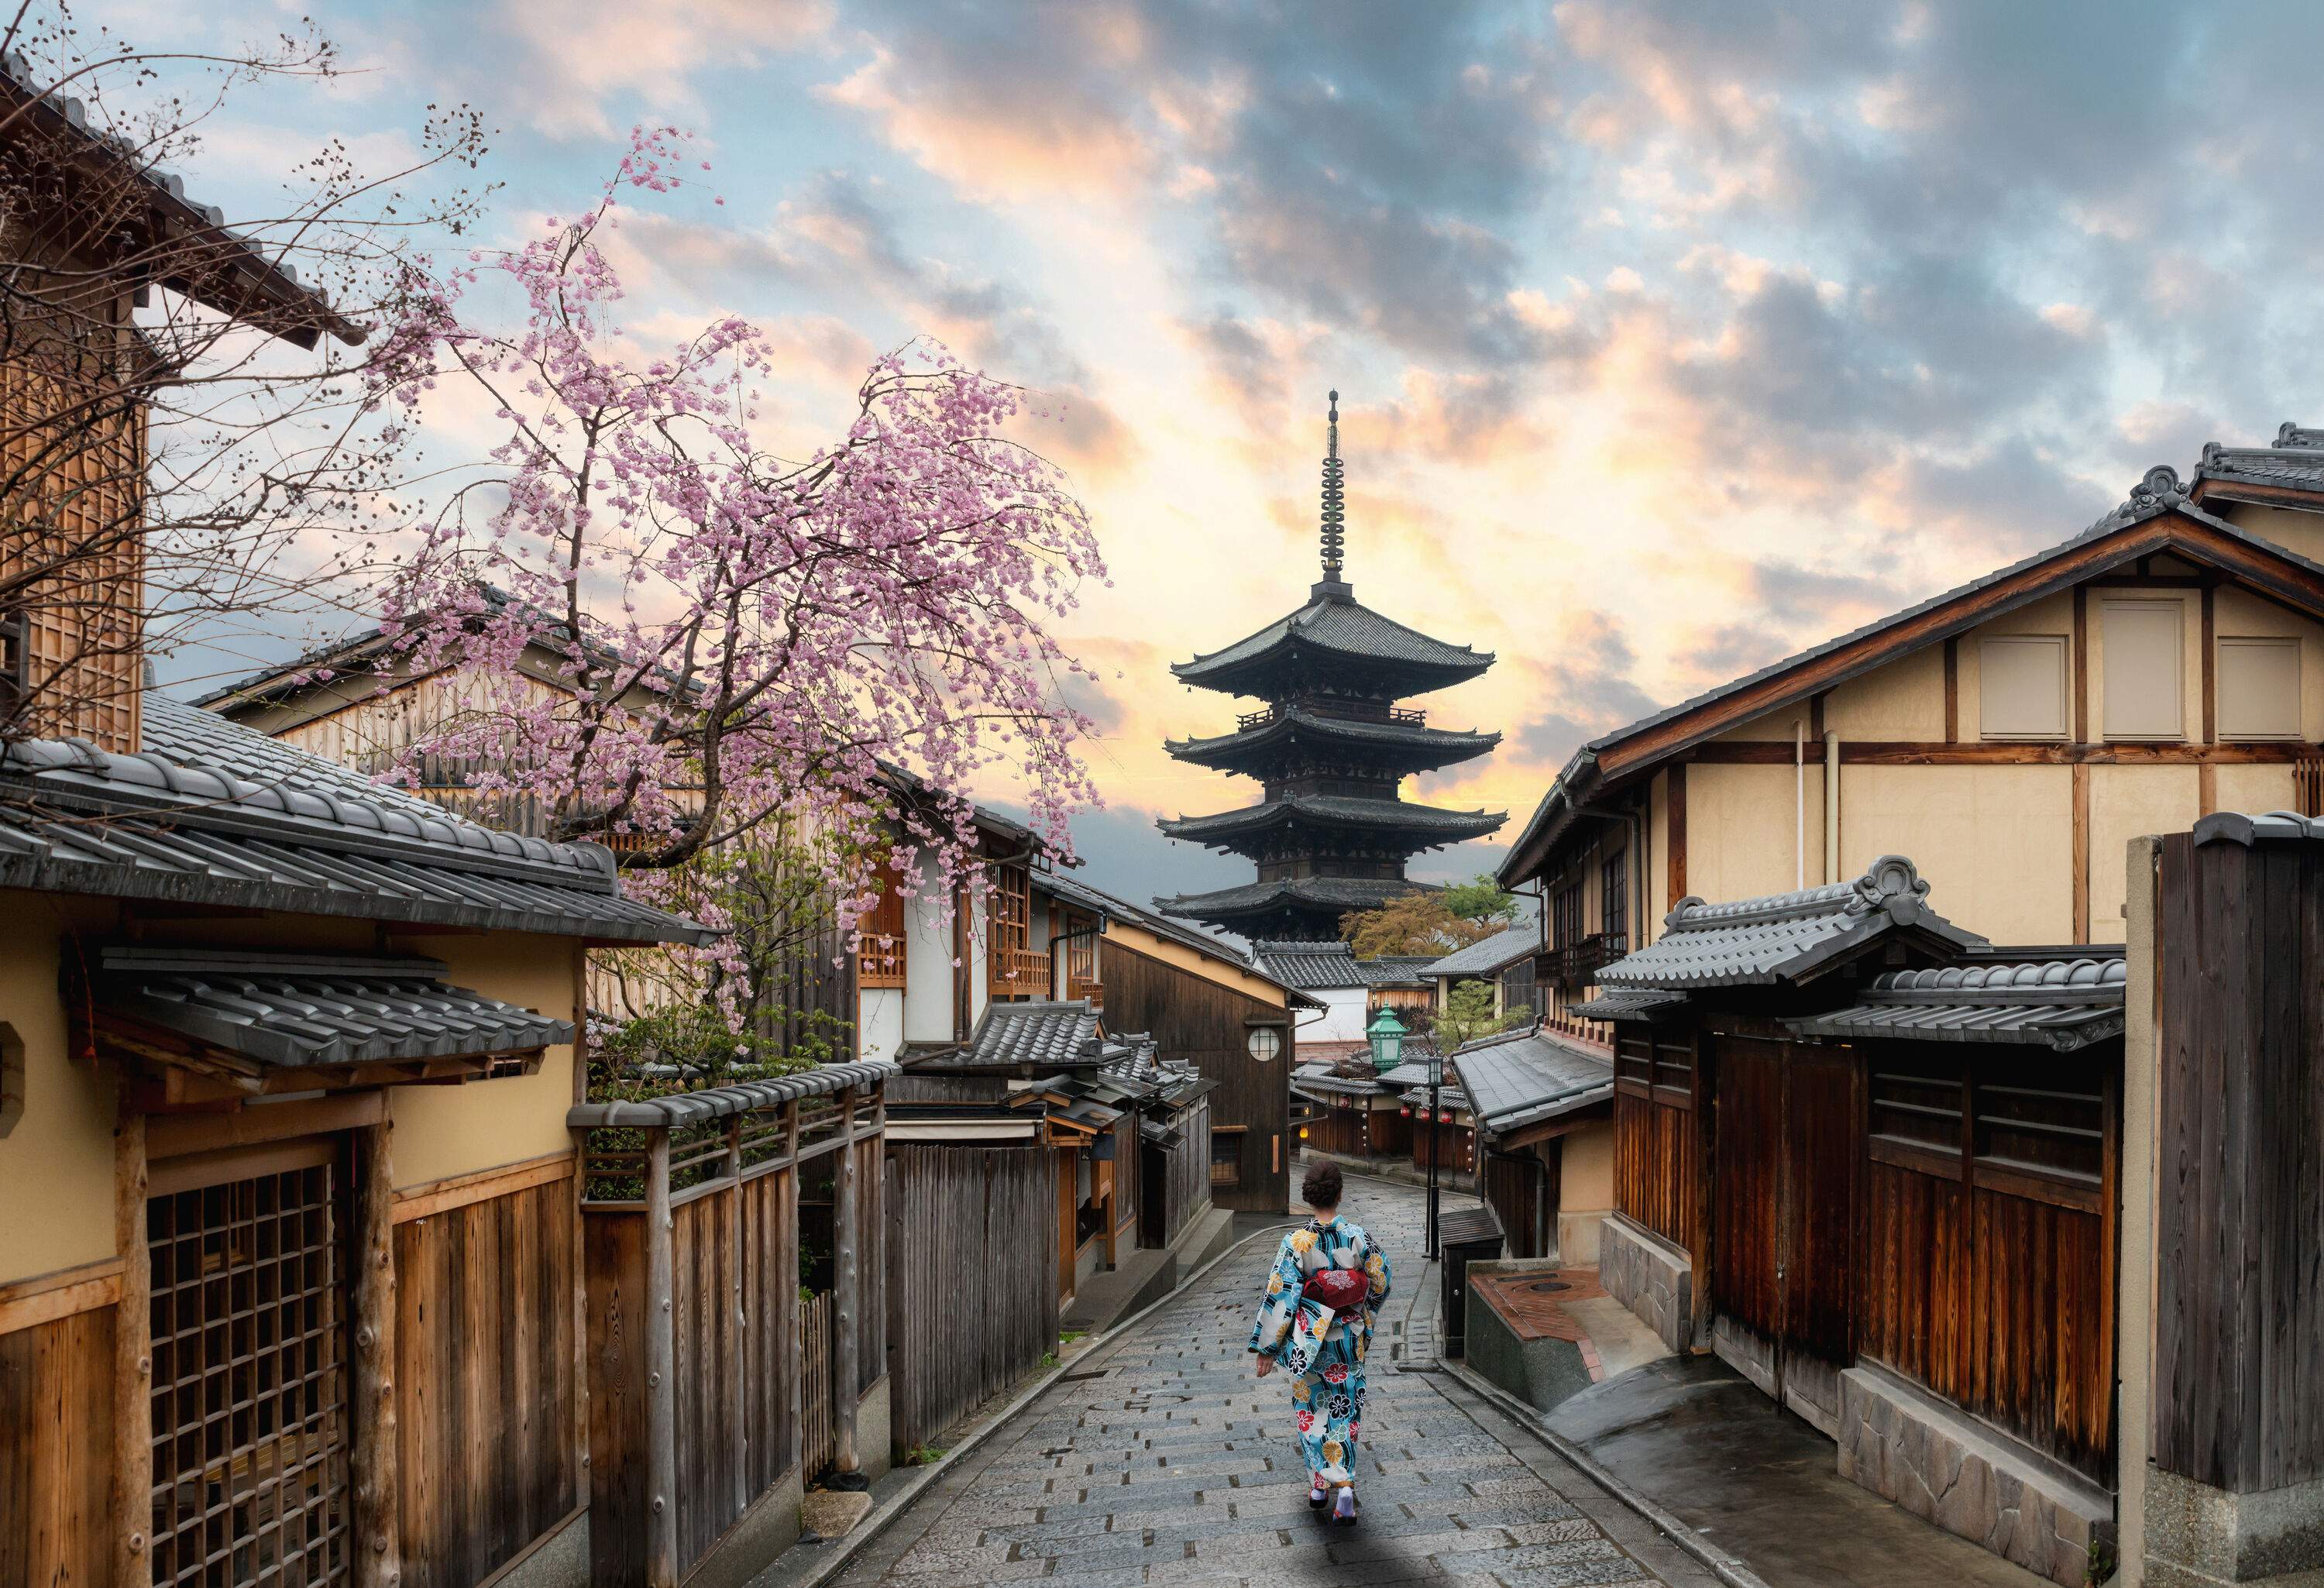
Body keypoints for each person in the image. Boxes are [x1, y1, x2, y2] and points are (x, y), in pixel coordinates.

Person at [1247, 1160, 1391, 1526]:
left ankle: (1320, 1485)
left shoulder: (1296, 1243)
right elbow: (1381, 1280)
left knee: (1311, 1411)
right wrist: (1362, 1318)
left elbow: (1280, 1295)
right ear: (1340, 1194)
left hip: (1309, 1341)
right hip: (1347, 1339)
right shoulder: (1357, 1237)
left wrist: (1267, 1348)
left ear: (1309, 1197)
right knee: (1344, 1410)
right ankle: (1340, 1487)